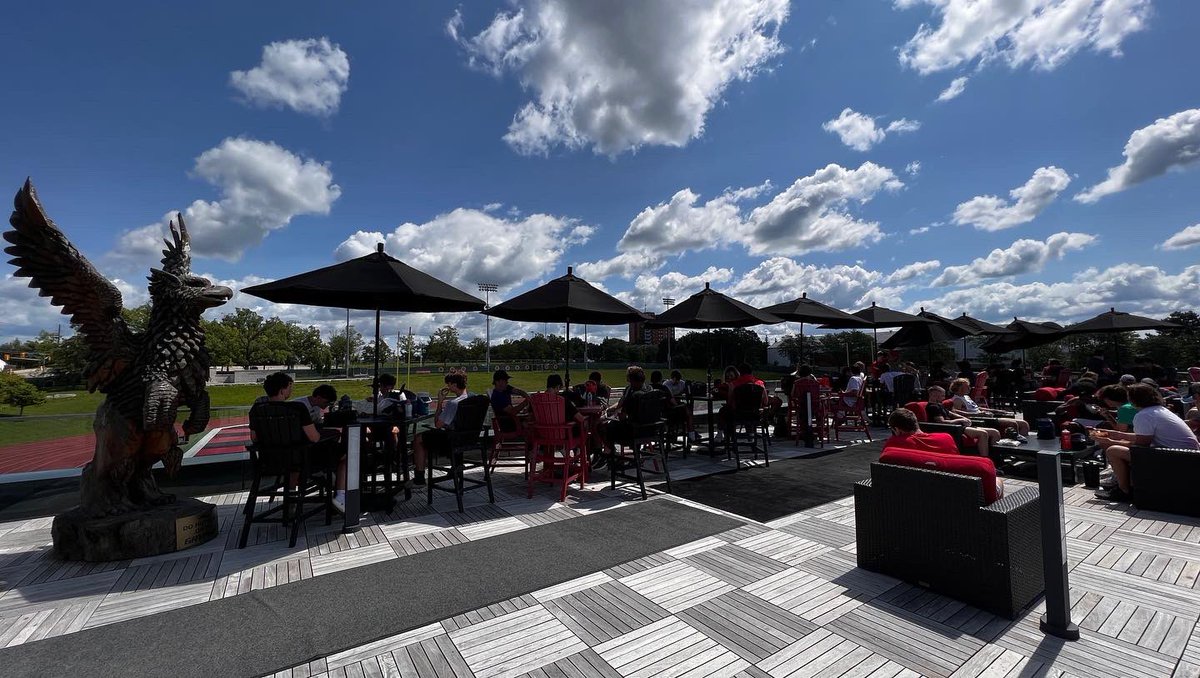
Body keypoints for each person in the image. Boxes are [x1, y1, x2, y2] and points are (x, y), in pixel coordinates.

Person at [251, 372, 347, 512]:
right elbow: (314, 438)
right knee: (345, 455)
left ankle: (290, 499)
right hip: (299, 460)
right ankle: (340, 497)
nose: (291, 390)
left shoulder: (256, 410)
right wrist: (334, 433)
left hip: (269, 460)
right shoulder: (297, 408)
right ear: (282, 390)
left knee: (292, 455)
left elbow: (254, 438)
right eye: (290, 387)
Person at [1093, 384, 1200, 502]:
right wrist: (1116, 435)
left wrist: (1110, 441)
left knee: (1113, 451)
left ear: (1134, 399)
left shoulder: (1144, 415)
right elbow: (1143, 438)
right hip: (1189, 454)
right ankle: (1126, 485)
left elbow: (1141, 446)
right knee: (1118, 448)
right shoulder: (1158, 410)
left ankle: (1124, 491)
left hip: (1179, 458)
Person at [885, 408, 1004, 497]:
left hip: (917, 495)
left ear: (896, 429)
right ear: (916, 423)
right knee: (998, 480)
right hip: (960, 495)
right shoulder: (945, 437)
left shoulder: (893, 445)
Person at [410, 372, 470, 484]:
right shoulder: (472, 398)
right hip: (467, 439)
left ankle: (419, 477)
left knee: (418, 439)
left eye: (449, 385)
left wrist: (440, 402)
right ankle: (456, 464)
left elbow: (437, 424)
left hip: (453, 440)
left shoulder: (453, 404)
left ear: (454, 385)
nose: (448, 387)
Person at [925, 385, 1001, 459]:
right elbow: (942, 422)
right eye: (942, 396)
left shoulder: (939, 405)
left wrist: (963, 417)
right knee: (983, 434)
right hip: (952, 429)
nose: (944, 398)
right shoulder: (933, 407)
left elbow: (951, 413)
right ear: (934, 395)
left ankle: (995, 458)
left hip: (959, 426)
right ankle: (985, 460)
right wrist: (960, 420)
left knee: (994, 432)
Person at [948, 377, 1030, 440]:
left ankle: (1024, 445)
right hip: (979, 418)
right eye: (967, 387)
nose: (969, 388)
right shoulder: (957, 400)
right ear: (959, 388)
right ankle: (1013, 446)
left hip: (985, 415)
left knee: (1024, 423)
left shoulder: (966, 396)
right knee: (1013, 424)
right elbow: (959, 413)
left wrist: (995, 410)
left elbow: (977, 407)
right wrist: (979, 414)